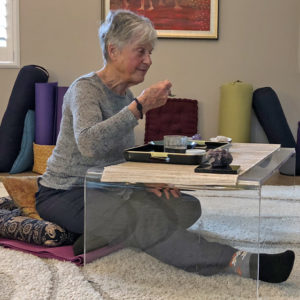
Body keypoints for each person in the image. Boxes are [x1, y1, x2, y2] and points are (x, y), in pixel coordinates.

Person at [35, 9, 294, 284]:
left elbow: (115, 156)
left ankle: (104, 234)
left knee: (186, 205)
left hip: (108, 189)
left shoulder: (126, 97)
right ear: (113, 50)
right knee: (143, 217)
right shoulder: (85, 89)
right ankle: (237, 261)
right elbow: (89, 144)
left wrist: (144, 182)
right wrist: (140, 107)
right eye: (141, 51)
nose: (148, 60)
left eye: (150, 52)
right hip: (66, 194)